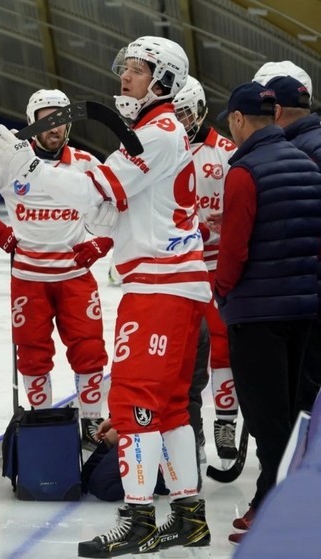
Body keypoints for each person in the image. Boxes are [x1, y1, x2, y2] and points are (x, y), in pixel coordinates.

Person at [0, 36, 212, 557]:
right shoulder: (152, 132)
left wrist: (28, 168)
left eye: (136, 69)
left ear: (163, 80)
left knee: (135, 402)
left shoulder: (156, 132)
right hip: (173, 284)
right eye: (125, 68)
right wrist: (68, 185)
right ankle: (189, 516)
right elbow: (109, 207)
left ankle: (137, 520)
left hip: (160, 287)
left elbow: (96, 194)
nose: (125, 77)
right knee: (173, 409)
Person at [0, 88, 109, 451]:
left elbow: (121, 209)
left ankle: (92, 422)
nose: (54, 127)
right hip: (29, 280)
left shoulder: (86, 163)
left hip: (75, 277)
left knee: (89, 351)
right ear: (32, 123)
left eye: (60, 119)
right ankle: (42, 420)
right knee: (32, 352)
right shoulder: (10, 162)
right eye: (46, 119)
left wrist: (100, 244)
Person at [214, 81, 321, 545]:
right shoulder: (307, 164)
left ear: (238, 120)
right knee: (295, 410)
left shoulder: (244, 172)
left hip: (257, 314)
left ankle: (275, 509)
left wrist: (222, 292)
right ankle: (276, 500)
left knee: (266, 416)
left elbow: (233, 252)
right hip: (305, 308)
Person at [173, 76, 240, 462]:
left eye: (186, 113)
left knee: (223, 347)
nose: (181, 121)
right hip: (178, 267)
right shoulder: (164, 148)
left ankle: (226, 419)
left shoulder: (227, 154)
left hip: (215, 265)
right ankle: (188, 425)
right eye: (176, 113)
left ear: (199, 110)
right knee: (183, 352)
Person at [263, 74, 321, 416]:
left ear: (278, 110)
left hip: (307, 283)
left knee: (305, 385)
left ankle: (304, 466)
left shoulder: (295, 152)